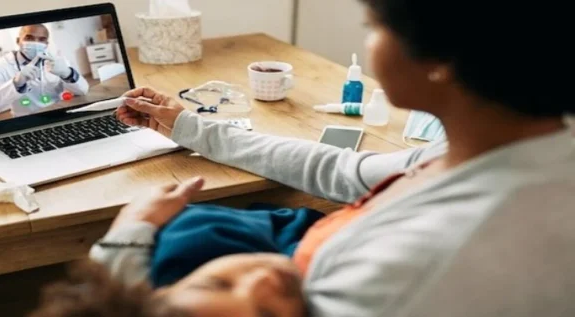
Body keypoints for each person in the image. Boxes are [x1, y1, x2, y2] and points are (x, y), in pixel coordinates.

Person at [28, 0, 575, 315]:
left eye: (375, 27)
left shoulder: (403, 274)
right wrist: (187, 125)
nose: (371, 42)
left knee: (191, 234)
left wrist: (121, 246)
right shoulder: (496, 150)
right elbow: (334, 167)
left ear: (442, 62)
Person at [0, 24, 89, 117]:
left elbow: (83, 90)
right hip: (26, 120)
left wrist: (67, 73)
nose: (35, 43)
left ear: (46, 44)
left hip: (58, 113)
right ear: (18, 41)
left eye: (42, 39)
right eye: (29, 38)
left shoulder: (57, 60)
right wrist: (16, 83)